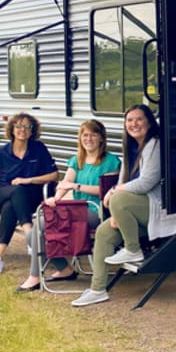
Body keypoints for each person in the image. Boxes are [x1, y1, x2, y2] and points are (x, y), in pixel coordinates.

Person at [71, 104, 176, 307]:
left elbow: (147, 182)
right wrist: (119, 212)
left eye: (139, 119)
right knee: (103, 232)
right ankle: (98, 289)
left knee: (118, 197)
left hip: (163, 210)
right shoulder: (131, 148)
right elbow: (123, 181)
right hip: (140, 210)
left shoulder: (154, 144)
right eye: (129, 120)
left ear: (149, 122)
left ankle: (133, 249)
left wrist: (115, 195)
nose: (134, 124)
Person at [16, 120, 120, 293]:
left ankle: (34, 277)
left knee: (42, 226)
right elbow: (66, 183)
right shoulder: (76, 160)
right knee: (34, 234)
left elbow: (106, 191)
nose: (89, 139)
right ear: (80, 138)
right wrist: (55, 198)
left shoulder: (111, 161)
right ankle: (65, 269)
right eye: (85, 135)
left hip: (97, 211)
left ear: (101, 138)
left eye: (93, 135)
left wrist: (76, 187)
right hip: (75, 209)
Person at [0, 112, 59, 275]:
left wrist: (28, 180)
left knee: (11, 206)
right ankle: (29, 233)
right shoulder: (0, 153)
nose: (23, 129)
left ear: (32, 130)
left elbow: (55, 175)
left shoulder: (38, 149)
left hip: (31, 197)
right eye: (18, 126)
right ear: (12, 129)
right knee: (15, 193)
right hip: (0, 194)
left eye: (27, 126)